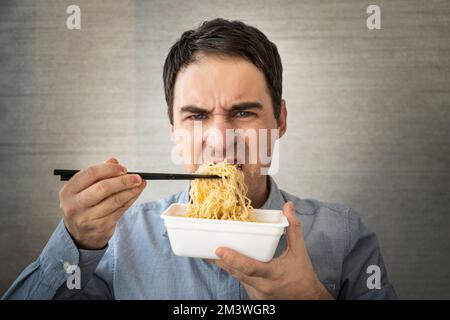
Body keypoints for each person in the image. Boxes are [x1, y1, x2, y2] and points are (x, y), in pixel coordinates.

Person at [2, 18, 396, 300]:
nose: (220, 139)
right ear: (173, 130)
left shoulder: (342, 237)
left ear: (280, 121)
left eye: (243, 112)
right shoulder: (119, 240)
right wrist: (75, 242)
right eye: (196, 116)